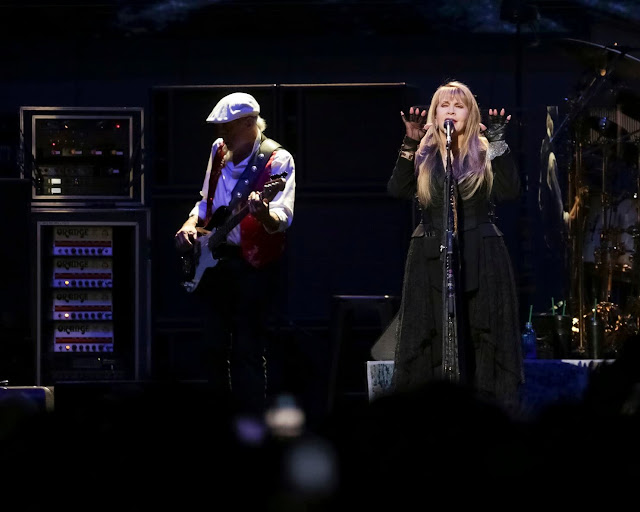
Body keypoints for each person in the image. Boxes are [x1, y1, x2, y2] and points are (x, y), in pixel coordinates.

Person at [387, 80, 524, 412]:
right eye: (444, 106)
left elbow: (509, 191)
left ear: (470, 113)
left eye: (458, 106)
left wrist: (498, 142)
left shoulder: (485, 150)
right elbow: (397, 190)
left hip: (483, 253)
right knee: (432, 331)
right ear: (434, 115)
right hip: (430, 252)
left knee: (482, 333)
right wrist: (409, 143)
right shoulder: (424, 152)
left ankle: (486, 412)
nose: (451, 111)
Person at [174, 92, 296, 418]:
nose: (222, 133)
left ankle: (252, 423)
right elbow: (206, 201)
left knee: (248, 348)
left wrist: (263, 212)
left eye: (227, 127)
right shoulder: (218, 150)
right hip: (215, 260)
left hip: (253, 263)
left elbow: (282, 218)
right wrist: (190, 224)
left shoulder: (277, 160)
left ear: (249, 123)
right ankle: (220, 419)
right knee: (212, 345)